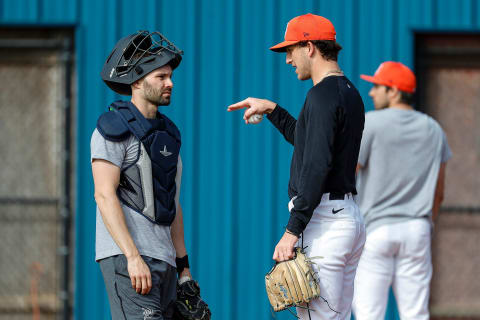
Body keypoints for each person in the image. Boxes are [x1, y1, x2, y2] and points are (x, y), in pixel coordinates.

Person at [227, 14, 366, 320]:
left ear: (310, 46)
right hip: (348, 219)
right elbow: (310, 144)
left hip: (325, 222)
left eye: (291, 49)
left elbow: (316, 166)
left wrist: (292, 231)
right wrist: (273, 109)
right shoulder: (349, 92)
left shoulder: (321, 96)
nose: (288, 59)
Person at [92, 30, 197, 319]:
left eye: (170, 76)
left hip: (164, 261)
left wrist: (184, 268)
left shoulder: (169, 135)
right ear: (137, 82)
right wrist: (132, 257)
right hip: (130, 261)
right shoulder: (113, 129)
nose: (170, 83)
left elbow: (172, 202)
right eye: (160, 77)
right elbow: (103, 194)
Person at [352, 61, 452, 320]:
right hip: (417, 229)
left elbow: (347, 175)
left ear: (394, 91)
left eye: (377, 86)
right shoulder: (434, 128)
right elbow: (439, 192)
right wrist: (427, 222)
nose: (372, 93)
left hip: (376, 229)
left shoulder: (370, 124)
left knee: (368, 314)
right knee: (416, 314)